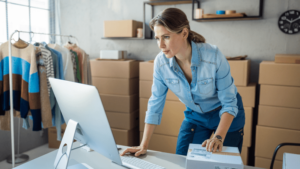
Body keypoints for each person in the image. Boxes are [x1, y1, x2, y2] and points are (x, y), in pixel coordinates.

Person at [121, 8, 245, 157]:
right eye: (157, 38)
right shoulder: (161, 63)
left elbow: (230, 103)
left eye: (166, 37)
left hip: (226, 114)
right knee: (182, 159)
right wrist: (144, 144)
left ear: (184, 33)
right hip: (196, 116)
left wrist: (218, 137)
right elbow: (155, 102)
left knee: (221, 164)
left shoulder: (213, 56)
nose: (160, 45)